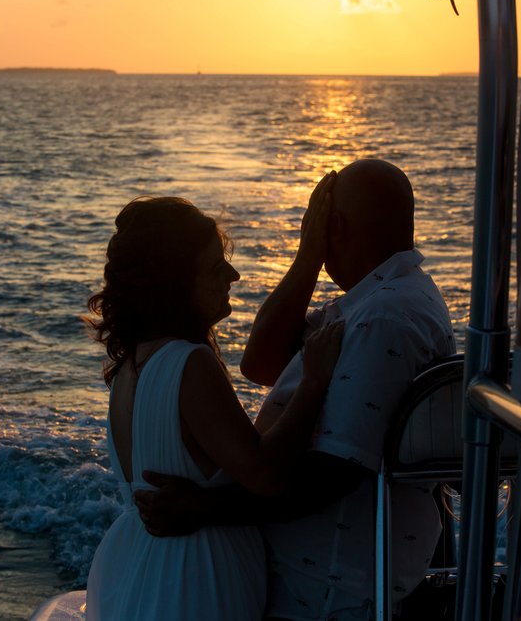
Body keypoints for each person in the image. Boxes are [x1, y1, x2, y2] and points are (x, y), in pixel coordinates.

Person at [135, 159, 456, 620]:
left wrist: (205, 508)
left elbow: (333, 473)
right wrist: (307, 259)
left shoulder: (383, 318)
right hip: (317, 586)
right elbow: (261, 361)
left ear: (335, 226)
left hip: (327, 594)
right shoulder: (371, 302)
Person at [84, 196, 344, 621]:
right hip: (191, 582)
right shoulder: (189, 363)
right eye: (215, 266)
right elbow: (265, 474)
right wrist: (314, 382)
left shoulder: (131, 365)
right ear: (176, 282)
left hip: (139, 566)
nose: (234, 275)